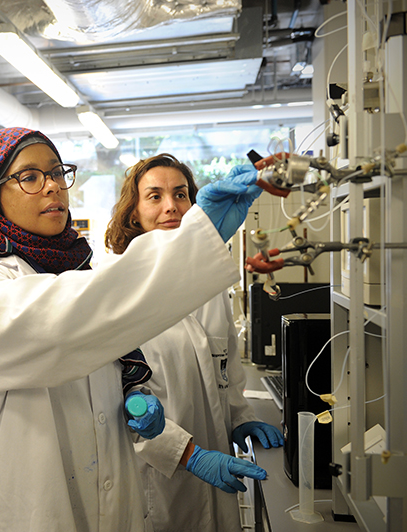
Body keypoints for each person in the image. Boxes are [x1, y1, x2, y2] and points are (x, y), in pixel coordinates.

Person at [0, 128, 264, 532]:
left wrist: (141, 410)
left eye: (57, 173)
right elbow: (64, 322)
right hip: (32, 513)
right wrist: (196, 240)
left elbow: (115, 383)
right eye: (30, 177)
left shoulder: (82, 273)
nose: (53, 187)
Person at [104, 154, 284, 532]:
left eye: (181, 194)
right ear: (134, 213)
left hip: (219, 472)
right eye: (155, 196)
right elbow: (121, 408)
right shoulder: (118, 291)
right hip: (159, 483)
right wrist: (187, 454)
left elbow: (227, 370)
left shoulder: (209, 284)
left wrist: (241, 418)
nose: (171, 206)